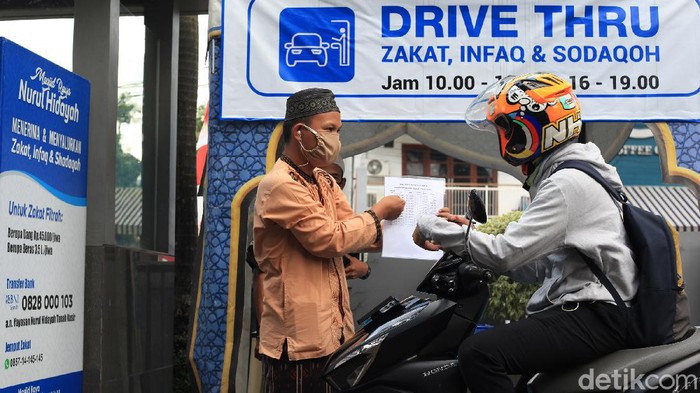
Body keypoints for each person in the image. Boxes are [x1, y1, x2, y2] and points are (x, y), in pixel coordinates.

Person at [412, 73, 638, 393]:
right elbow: (535, 266)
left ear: (533, 130)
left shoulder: (566, 183)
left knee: (478, 353)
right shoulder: (564, 176)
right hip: (590, 311)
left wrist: (428, 223)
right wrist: (468, 235)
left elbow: (503, 254)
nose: (502, 136)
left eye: (505, 128)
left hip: (597, 315)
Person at [253, 88, 405, 393]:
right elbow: (330, 239)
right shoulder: (280, 185)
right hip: (297, 338)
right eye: (329, 129)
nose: (336, 138)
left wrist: (417, 231)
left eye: (338, 130)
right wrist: (379, 211)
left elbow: (356, 233)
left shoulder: (322, 180)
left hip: (333, 332)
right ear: (300, 132)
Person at [320, 157, 371, 280]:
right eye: (323, 178)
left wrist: (364, 270)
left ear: (342, 184)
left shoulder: (350, 219)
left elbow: (355, 261)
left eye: (333, 179)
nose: (327, 184)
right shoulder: (302, 211)